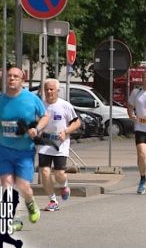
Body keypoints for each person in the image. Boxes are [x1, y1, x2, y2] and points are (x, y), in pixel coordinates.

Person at [0, 67, 49, 223]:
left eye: (16, 76)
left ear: (22, 80)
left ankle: (30, 202)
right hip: (4, 150)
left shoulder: (31, 99)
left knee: (23, 186)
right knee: (6, 184)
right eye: (9, 76)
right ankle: (13, 219)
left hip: (24, 151)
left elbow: (45, 116)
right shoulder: (1, 100)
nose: (12, 78)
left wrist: (37, 128)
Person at [38, 78, 81, 211]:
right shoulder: (40, 105)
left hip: (60, 144)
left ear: (57, 90)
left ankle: (64, 185)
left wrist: (66, 131)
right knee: (44, 172)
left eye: (51, 89)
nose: (49, 92)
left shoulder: (65, 105)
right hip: (45, 143)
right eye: (46, 89)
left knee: (59, 174)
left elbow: (77, 122)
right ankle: (53, 200)